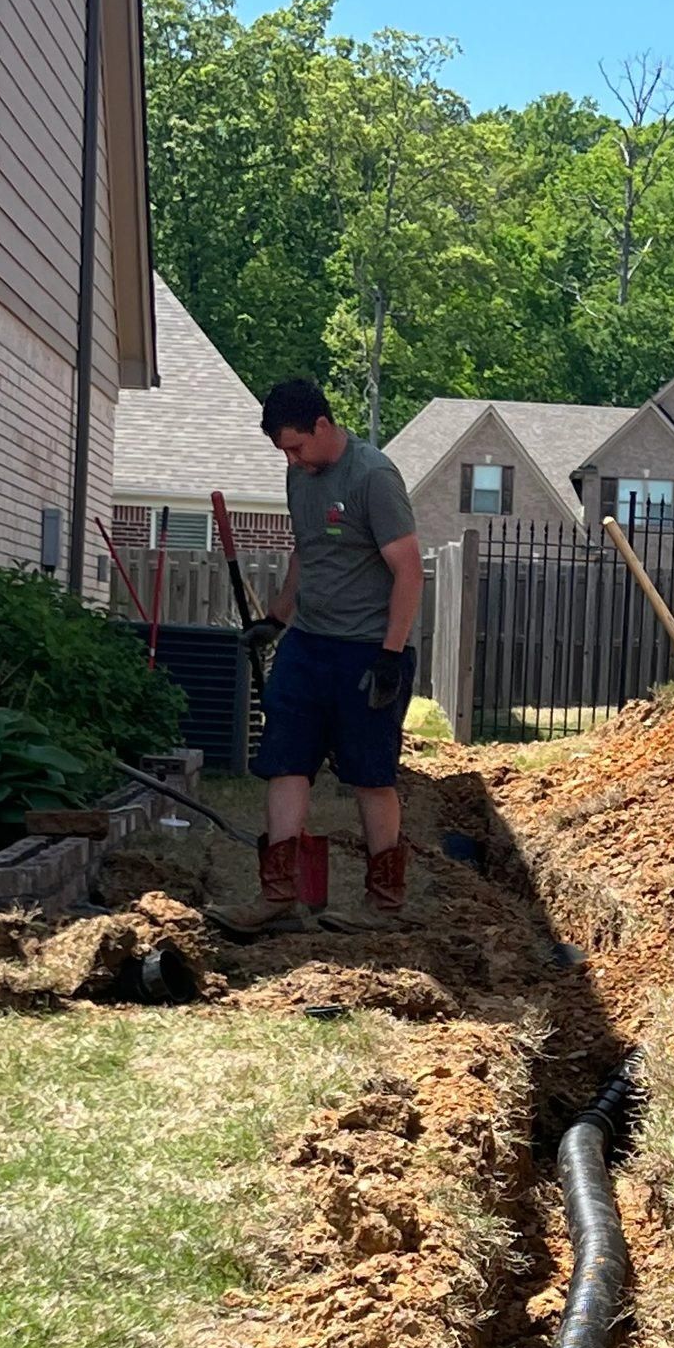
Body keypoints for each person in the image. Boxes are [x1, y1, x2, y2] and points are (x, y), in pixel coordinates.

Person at [213, 378, 424, 936]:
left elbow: (408, 569)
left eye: (297, 446)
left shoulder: (372, 477)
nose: (292, 459)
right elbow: (306, 553)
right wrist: (276, 620)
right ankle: (277, 895)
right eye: (283, 449)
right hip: (308, 644)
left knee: (369, 775)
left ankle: (385, 904)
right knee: (285, 761)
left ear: (324, 427)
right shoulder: (298, 476)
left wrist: (390, 654)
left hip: (368, 651)